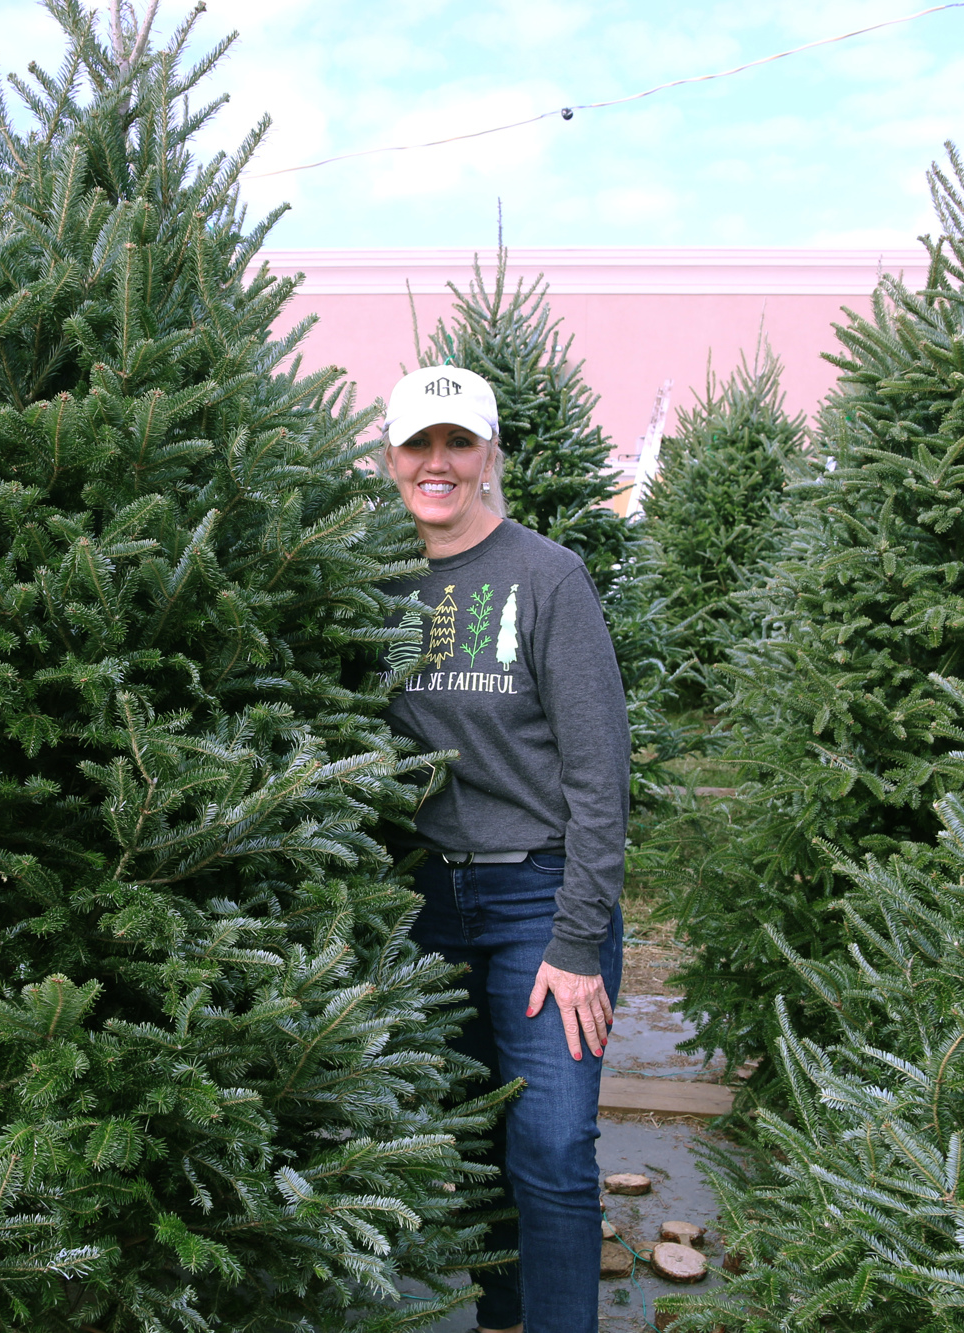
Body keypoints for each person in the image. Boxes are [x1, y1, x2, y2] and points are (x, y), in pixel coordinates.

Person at [376, 365, 630, 1333]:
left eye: (456, 443)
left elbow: (597, 772)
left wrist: (575, 939)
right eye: (417, 444)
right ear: (390, 456)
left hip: (537, 897)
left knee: (553, 1145)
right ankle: (501, 1315)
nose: (435, 463)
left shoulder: (545, 575)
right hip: (420, 906)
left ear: (487, 457)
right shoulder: (367, 579)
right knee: (472, 1134)